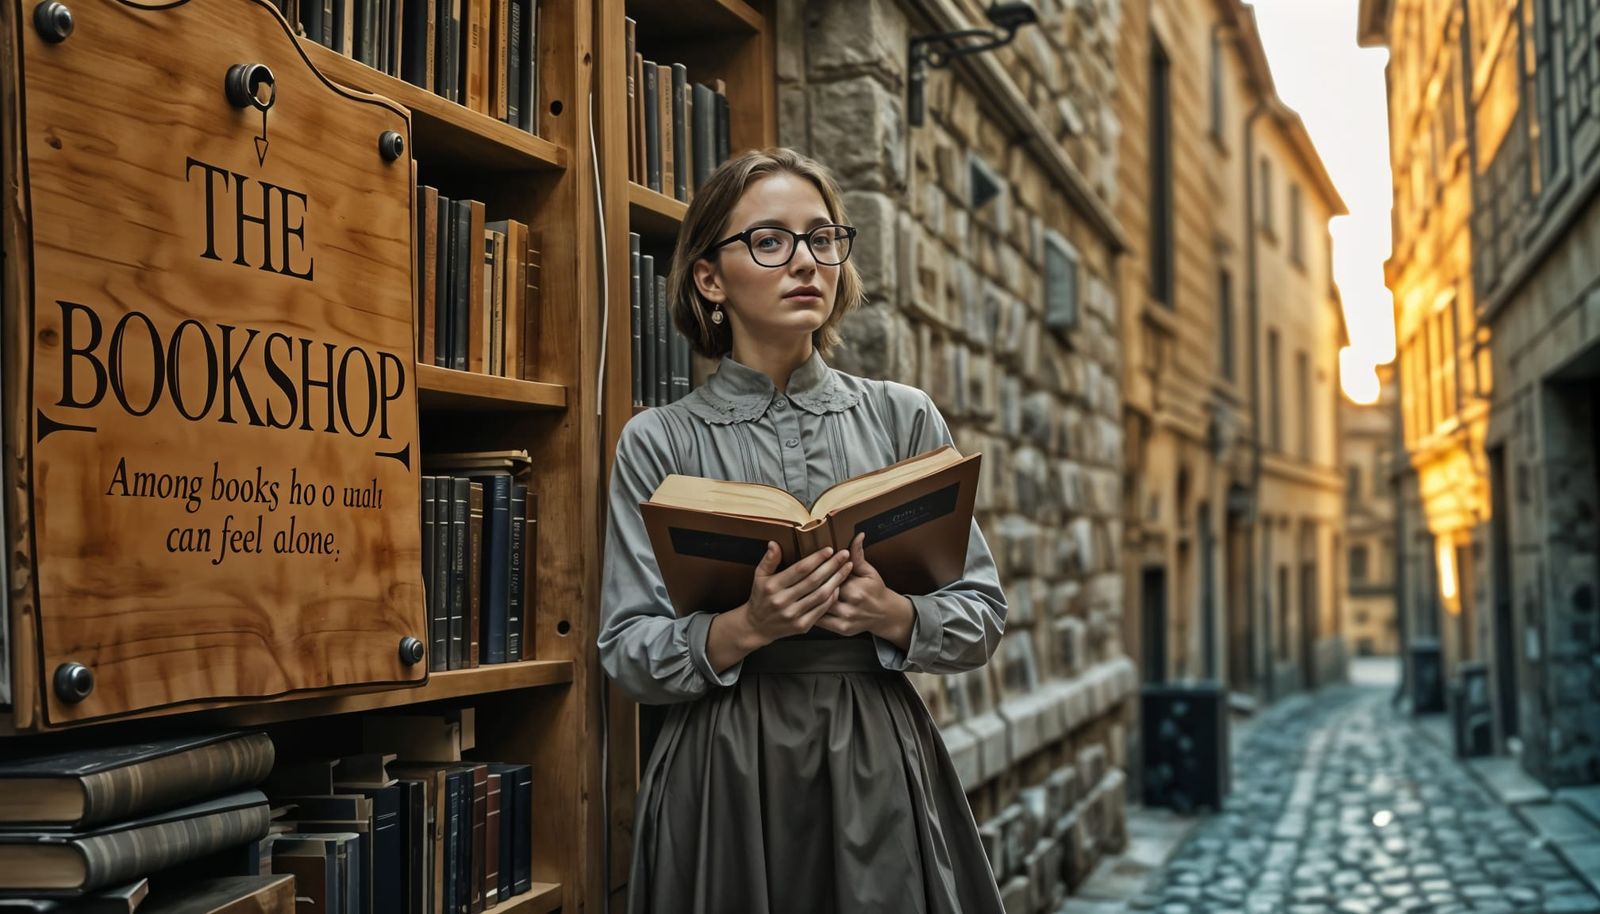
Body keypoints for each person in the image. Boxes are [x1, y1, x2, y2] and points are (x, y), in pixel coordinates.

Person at [598, 147, 1008, 914]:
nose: (805, 262)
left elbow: (983, 614)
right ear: (709, 278)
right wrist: (744, 627)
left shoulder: (902, 416)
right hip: (723, 771)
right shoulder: (658, 441)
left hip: (874, 757)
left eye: (822, 239)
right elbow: (626, 651)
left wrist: (891, 613)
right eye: (770, 241)